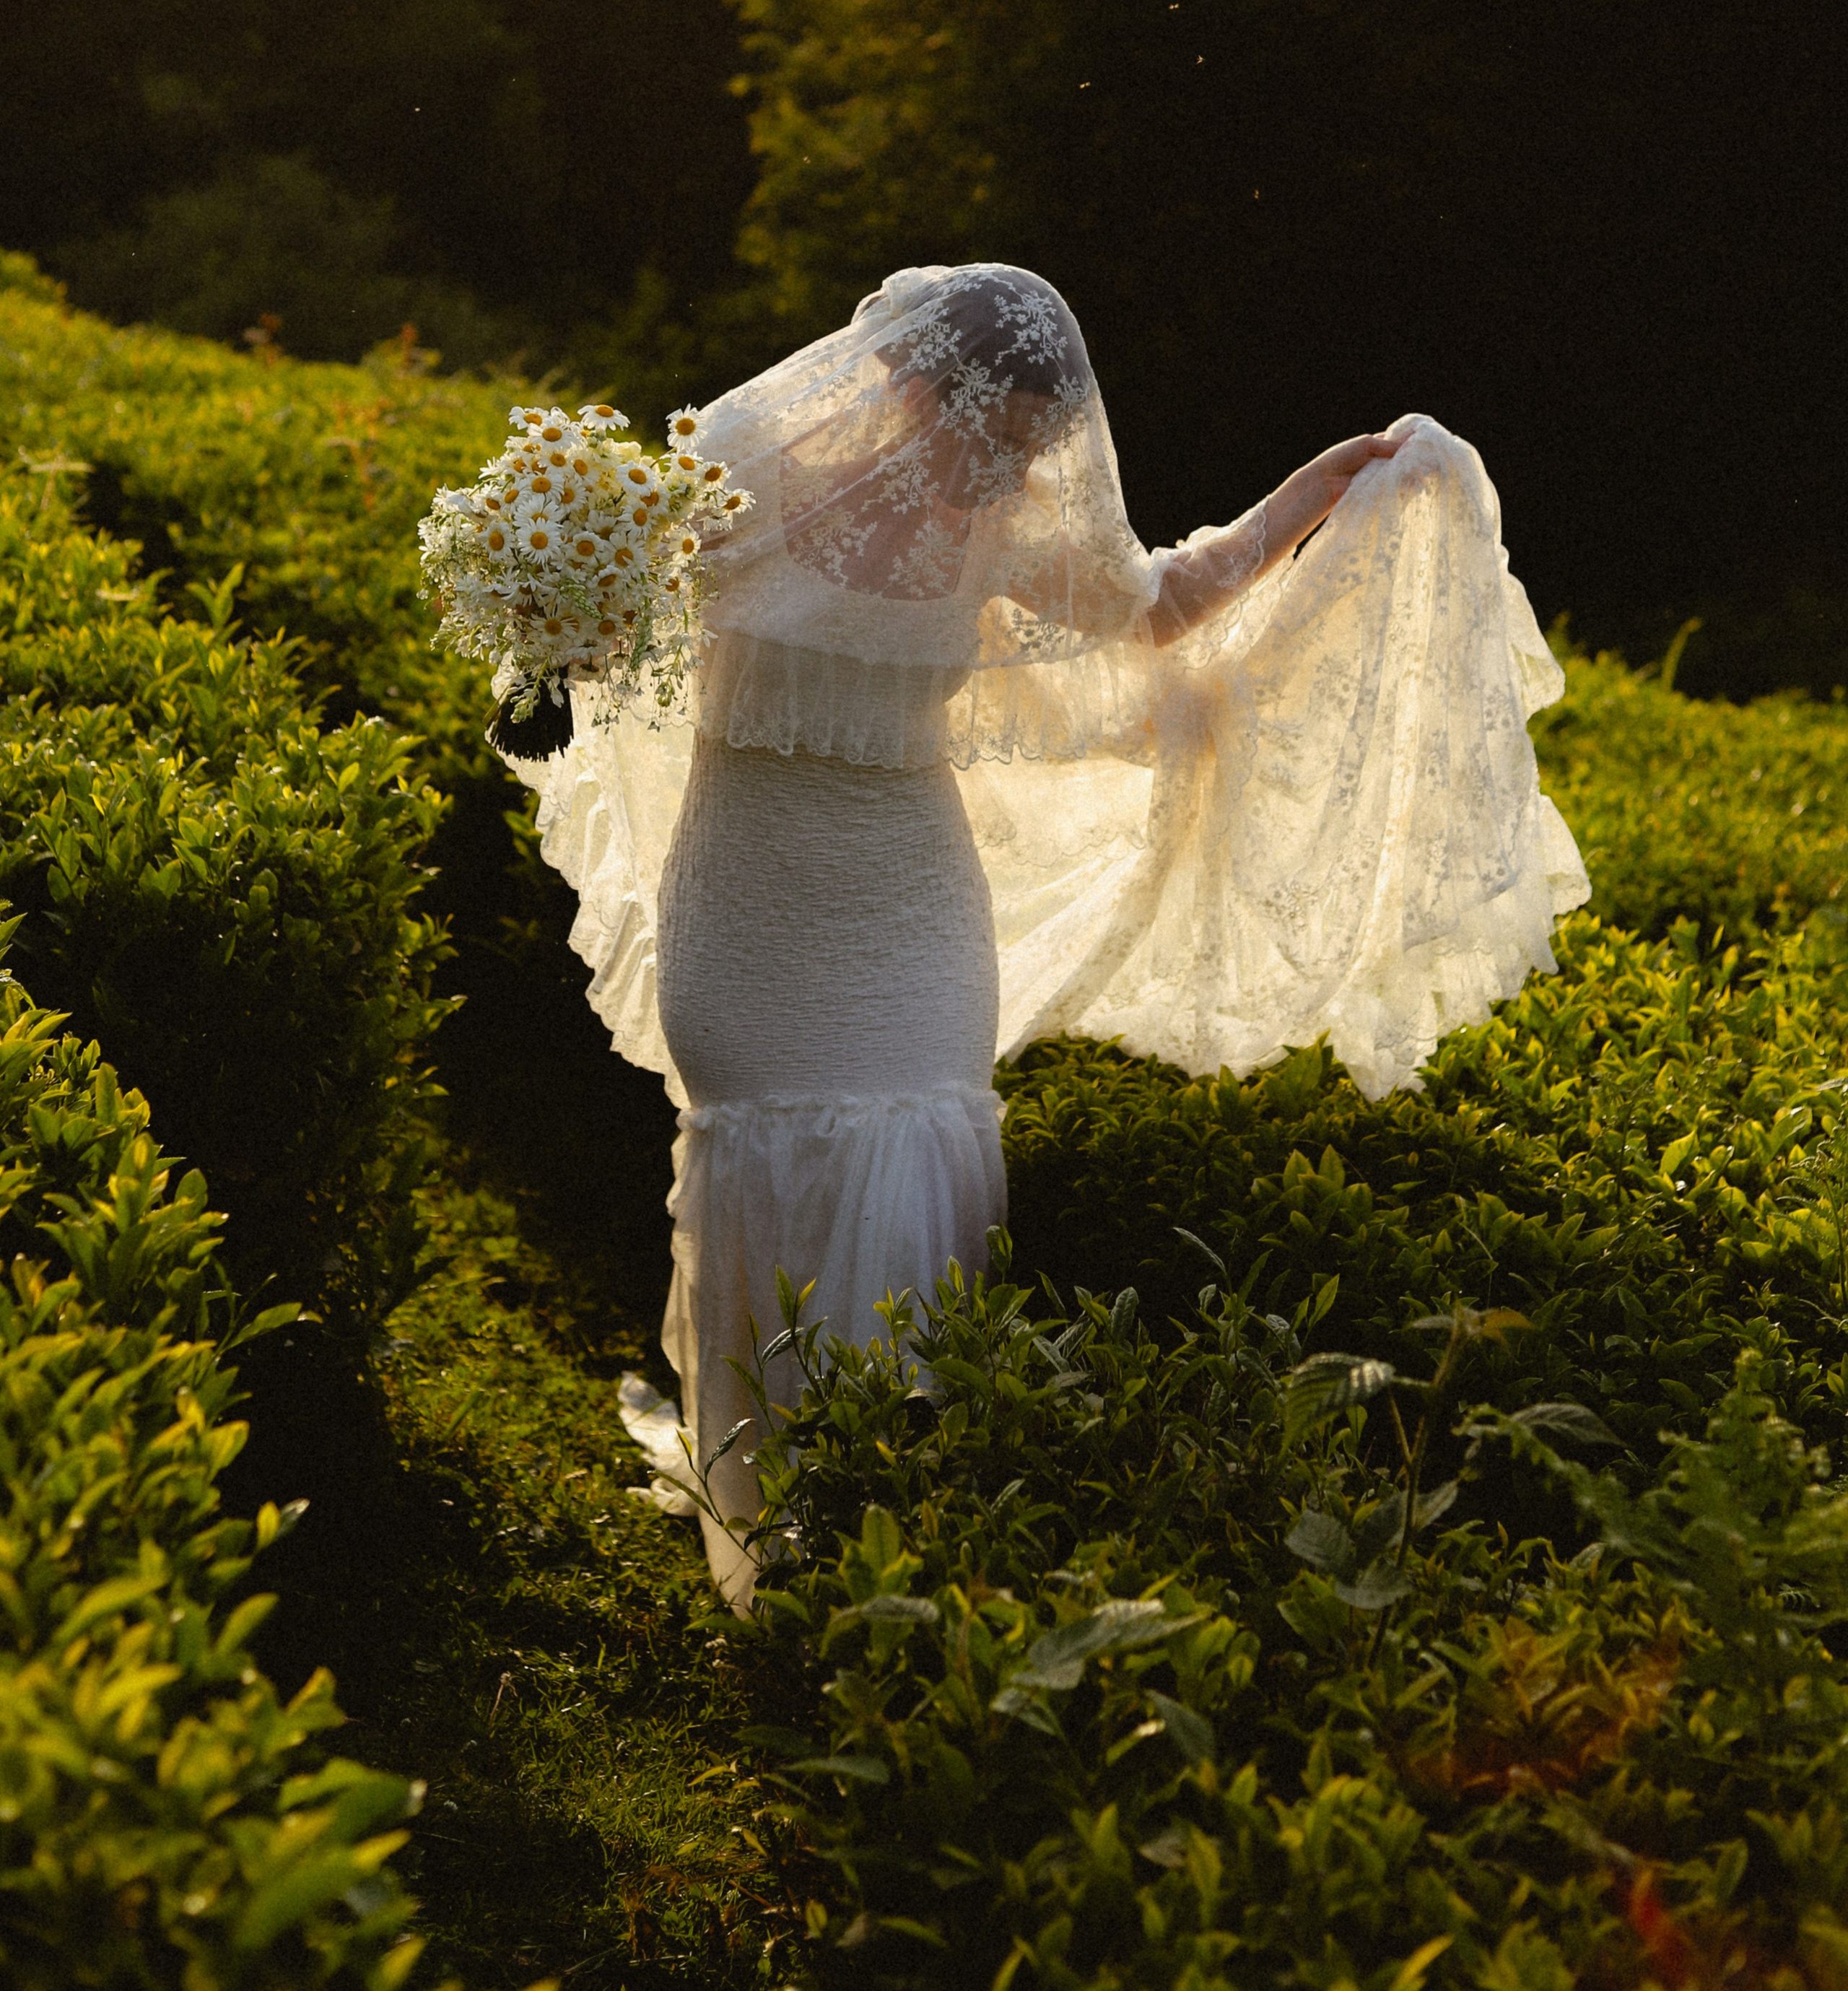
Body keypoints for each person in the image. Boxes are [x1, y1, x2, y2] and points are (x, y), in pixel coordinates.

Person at [502, 263, 1588, 1604]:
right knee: (774, 1155)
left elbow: (1162, 603)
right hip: (752, 893)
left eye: (1029, 440)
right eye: (992, 429)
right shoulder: (745, 473)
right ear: (908, 383)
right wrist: (538, 621)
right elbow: (594, 570)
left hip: (916, 899)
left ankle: (896, 1526)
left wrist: (1322, 489)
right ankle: (773, 1521)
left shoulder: (1001, 531)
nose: (1010, 463)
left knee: (925, 1146)